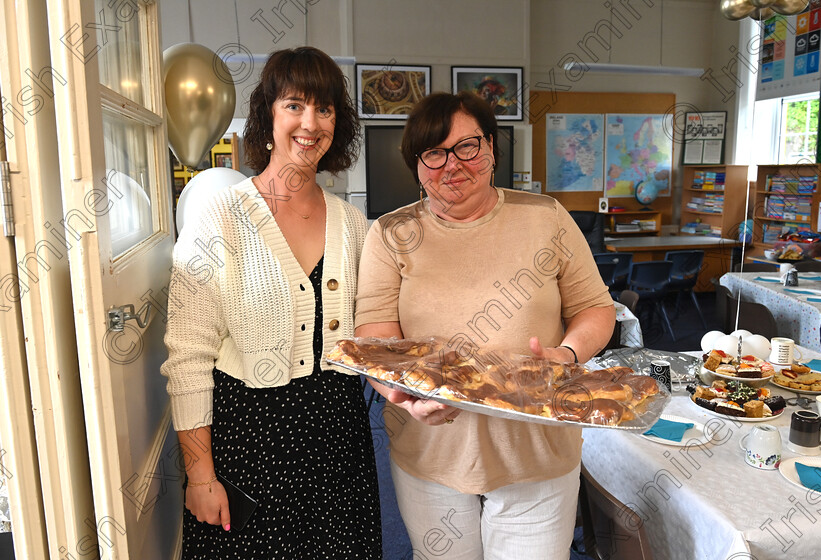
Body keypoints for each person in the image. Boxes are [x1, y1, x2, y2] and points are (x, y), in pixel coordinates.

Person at [354, 91, 615, 559]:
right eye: (434, 153)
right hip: (430, 448)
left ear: (491, 148)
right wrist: (403, 390)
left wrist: (568, 355)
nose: (452, 165)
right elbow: (375, 334)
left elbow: (596, 309)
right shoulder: (391, 233)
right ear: (416, 166)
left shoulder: (546, 218)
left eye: (467, 146)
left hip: (536, 449)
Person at [161, 47, 381, 559]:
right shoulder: (219, 217)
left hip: (339, 446)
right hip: (252, 446)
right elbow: (188, 358)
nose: (311, 122)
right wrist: (200, 475)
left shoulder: (352, 224)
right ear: (268, 114)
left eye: (324, 109)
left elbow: (374, 333)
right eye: (295, 105)